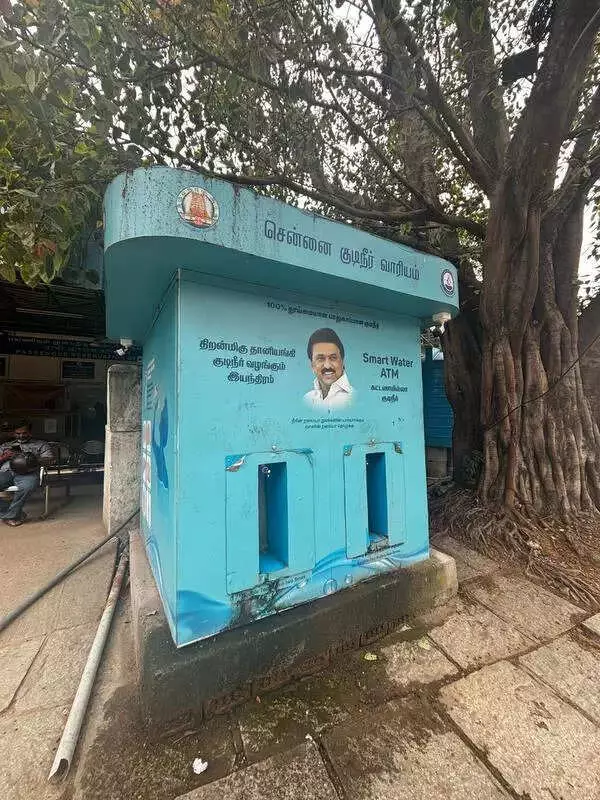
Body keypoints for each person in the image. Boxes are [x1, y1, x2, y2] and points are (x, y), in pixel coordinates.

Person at [0, 421, 54, 527]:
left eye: (24, 433)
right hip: (7, 471)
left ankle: (11, 516)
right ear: (13, 433)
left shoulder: (41, 444)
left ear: (30, 432)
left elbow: (50, 459)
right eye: (18, 433)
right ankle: (12, 512)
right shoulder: (6, 446)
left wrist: (33, 459)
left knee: (27, 487)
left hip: (28, 473)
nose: (21, 436)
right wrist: (5, 457)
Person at [303, 328, 354, 410]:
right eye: (320, 358)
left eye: (333, 358)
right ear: (312, 364)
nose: (327, 366)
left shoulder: (354, 399)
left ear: (342, 361)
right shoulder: (307, 399)